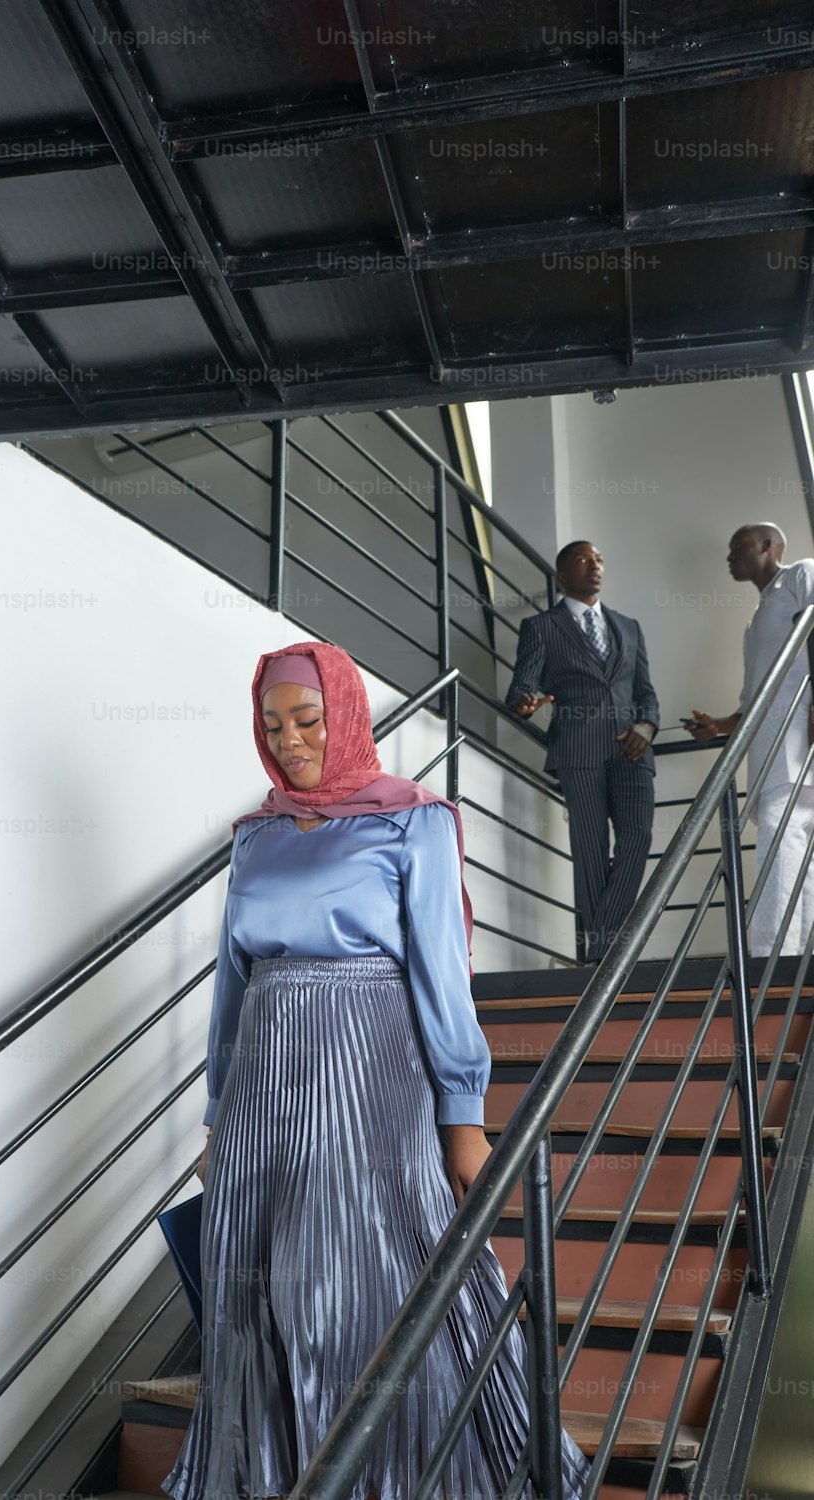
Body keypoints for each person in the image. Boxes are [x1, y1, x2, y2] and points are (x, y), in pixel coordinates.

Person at [162, 641, 589, 1500]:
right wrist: (217, 1118)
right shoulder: (257, 836)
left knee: (355, 1287)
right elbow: (232, 986)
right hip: (262, 1093)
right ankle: (275, 1471)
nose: (288, 740)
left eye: (308, 720)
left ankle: (396, 1475)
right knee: (262, 1292)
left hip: (370, 1075)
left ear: (346, 714)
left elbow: (443, 973)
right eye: (273, 724)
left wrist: (462, 1119)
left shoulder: (413, 819)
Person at [506, 540, 660, 964]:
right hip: (578, 749)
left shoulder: (628, 626)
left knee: (637, 836)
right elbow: (522, 687)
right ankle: (605, 959)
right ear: (561, 577)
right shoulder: (541, 627)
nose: (594, 566)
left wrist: (646, 727)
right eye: (582, 560)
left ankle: (602, 950)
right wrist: (525, 702)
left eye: (598, 560)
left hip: (632, 751)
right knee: (591, 849)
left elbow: (646, 693)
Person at [685, 523, 814, 955]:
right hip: (770, 748)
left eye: (737, 545)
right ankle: (797, 959)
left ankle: (768, 961)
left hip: (796, 745)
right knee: (798, 853)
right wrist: (719, 726)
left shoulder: (801, 574)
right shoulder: (757, 619)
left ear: (768, 546)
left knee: (782, 843)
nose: (729, 555)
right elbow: (753, 701)